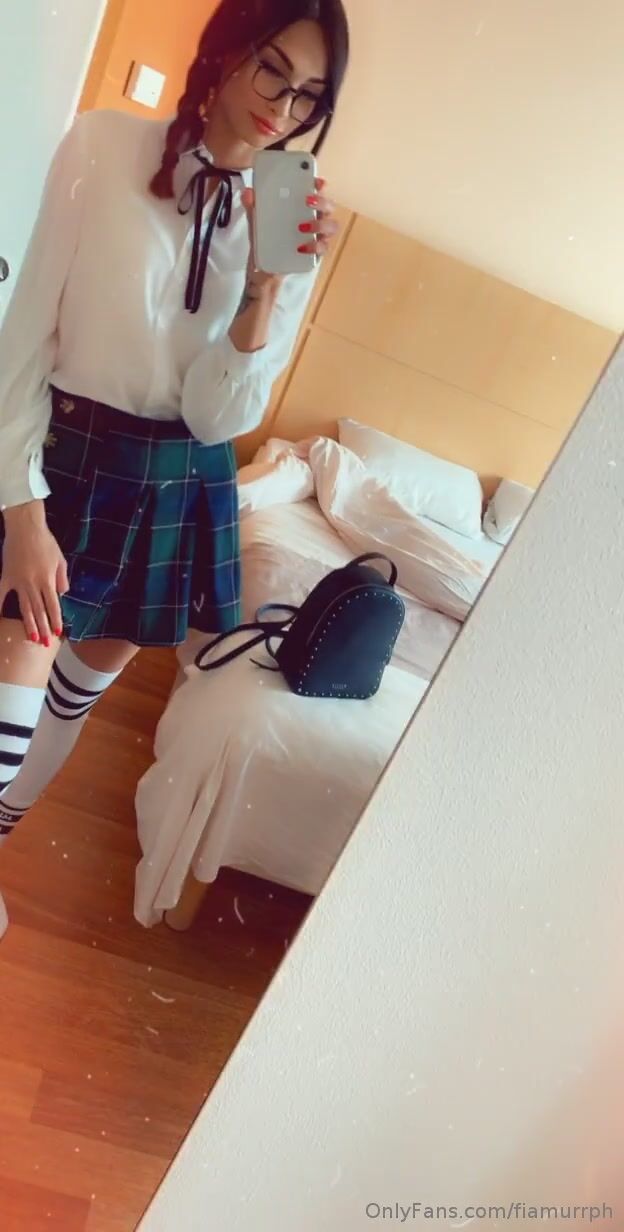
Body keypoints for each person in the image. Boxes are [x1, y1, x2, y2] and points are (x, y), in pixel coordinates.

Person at [0, 0, 349, 937]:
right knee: (13, 679)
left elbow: (217, 417)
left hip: (175, 479)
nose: (283, 105)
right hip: (65, 460)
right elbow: (24, 339)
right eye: (273, 68)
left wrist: (266, 290)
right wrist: (22, 511)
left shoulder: (290, 236)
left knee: (74, 695)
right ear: (227, 48)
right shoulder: (102, 145)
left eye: (310, 96)